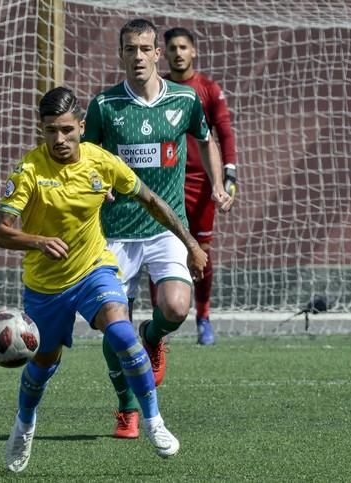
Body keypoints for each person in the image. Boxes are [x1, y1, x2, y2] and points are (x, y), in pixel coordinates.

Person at [0, 86, 208, 473]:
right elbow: (0, 232)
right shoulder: (28, 172)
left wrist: (189, 242)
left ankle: (154, 421)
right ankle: (24, 425)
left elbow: (152, 200)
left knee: (123, 333)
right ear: (41, 131)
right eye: (50, 131)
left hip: (94, 269)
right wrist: (37, 240)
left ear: (80, 125)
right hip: (46, 286)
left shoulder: (101, 162)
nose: (59, 139)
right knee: (43, 365)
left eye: (66, 130)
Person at [82, 18, 232, 439]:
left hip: (167, 228)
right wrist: (98, 188)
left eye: (145, 49)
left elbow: (206, 139)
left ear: (157, 54)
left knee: (175, 308)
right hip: (114, 232)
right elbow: (87, 159)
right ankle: (126, 407)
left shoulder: (184, 100)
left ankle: (153, 337)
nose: (138, 57)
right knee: (114, 329)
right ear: (121, 55)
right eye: (130, 49)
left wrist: (218, 182)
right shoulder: (104, 105)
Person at [162, 27, 238, 346]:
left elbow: (225, 133)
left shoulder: (207, 89)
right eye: (172, 48)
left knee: (202, 251)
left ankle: (203, 317)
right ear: (163, 53)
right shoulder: (159, 89)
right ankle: (161, 318)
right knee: (165, 249)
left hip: (202, 182)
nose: (178, 52)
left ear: (193, 52)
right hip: (167, 181)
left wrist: (229, 177)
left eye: (183, 47)